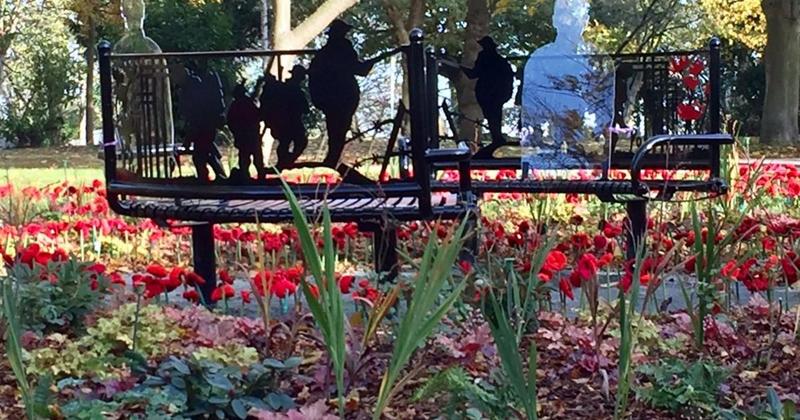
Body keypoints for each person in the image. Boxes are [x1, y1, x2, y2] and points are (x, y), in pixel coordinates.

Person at [308, 19, 377, 167]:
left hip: (332, 99)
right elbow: (359, 69)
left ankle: (332, 159)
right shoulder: (344, 49)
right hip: (343, 97)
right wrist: (369, 64)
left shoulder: (322, 55)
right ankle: (332, 160)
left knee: (335, 129)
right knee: (338, 130)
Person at [462, 36, 515, 158]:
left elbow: (473, 74)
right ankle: (497, 138)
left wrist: (461, 67)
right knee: (494, 116)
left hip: (488, 94)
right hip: (496, 95)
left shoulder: (485, 58)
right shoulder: (501, 61)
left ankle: (497, 139)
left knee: (492, 117)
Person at [180, 62, 227, 181]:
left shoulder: (192, 90)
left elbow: (195, 115)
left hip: (202, 127)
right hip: (203, 127)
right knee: (206, 154)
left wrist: (188, 138)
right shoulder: (192, 88)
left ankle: (210, 178)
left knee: (201, 156)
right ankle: (217, 177)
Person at [269, 65, 309, 170]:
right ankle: (284, 162)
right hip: (288, 122)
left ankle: (287, 161)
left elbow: (305, 109)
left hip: (289, 121)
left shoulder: (287, 89)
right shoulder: (290, 90)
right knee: (288, 142)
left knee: (291, 142)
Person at [227, 82, 265, 179]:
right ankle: (255, 177)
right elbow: (259, 116)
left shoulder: (237, 105)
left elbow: (230, 122)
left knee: (250, 159)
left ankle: (251, 177)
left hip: (247, 137)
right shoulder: (245, 104)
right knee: (252, 159)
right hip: (249, 136)